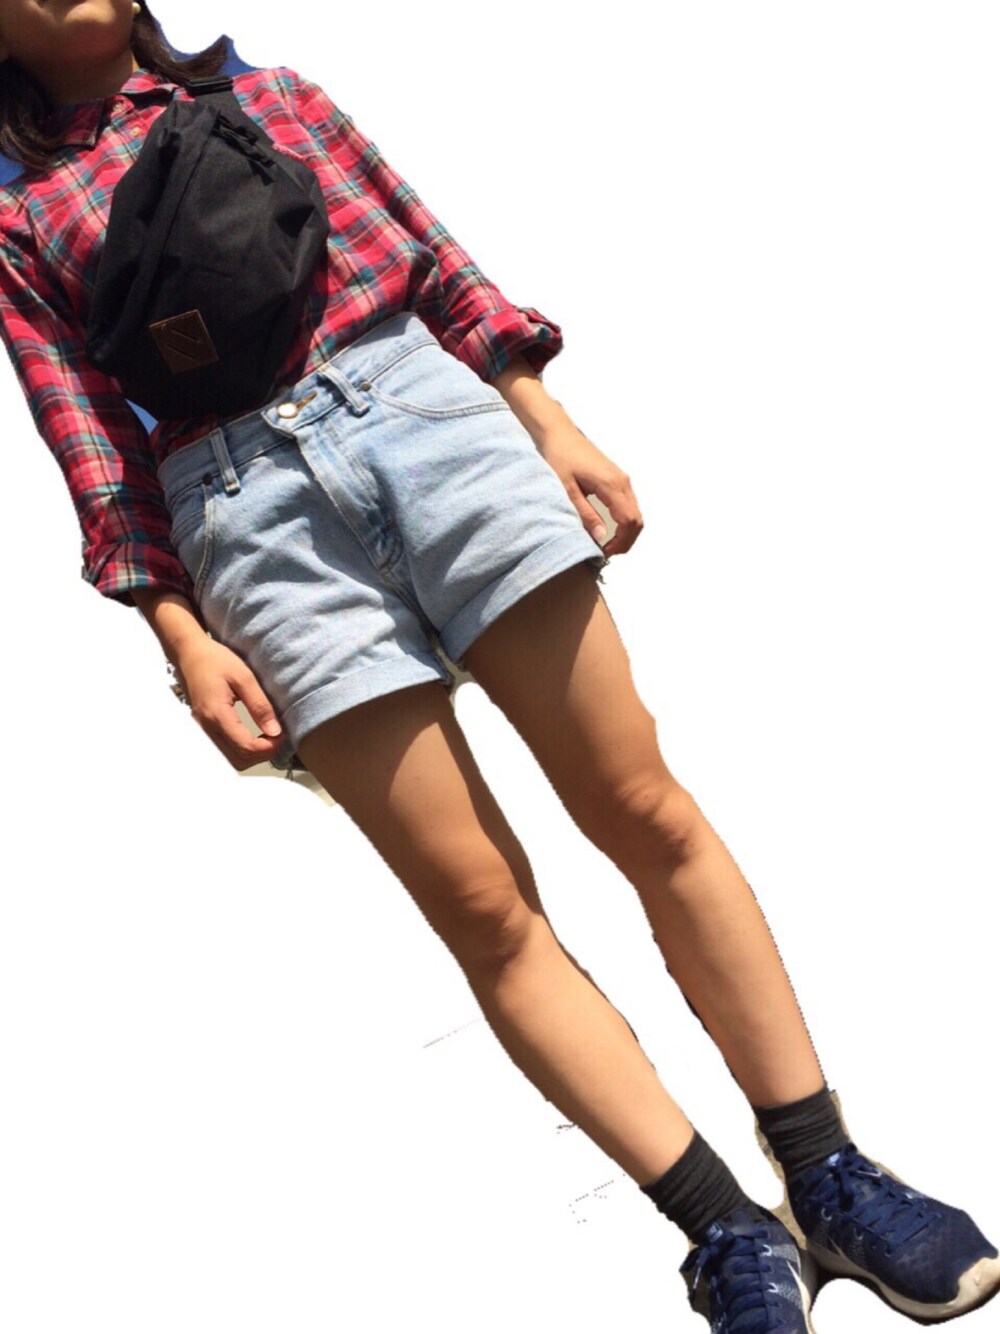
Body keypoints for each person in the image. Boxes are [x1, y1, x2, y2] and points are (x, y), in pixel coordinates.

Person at [1, 3, 996, 1330]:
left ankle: (831, 1175)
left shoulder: (272, 95)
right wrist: (180, 633)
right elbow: (88, 438)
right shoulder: (15, 217)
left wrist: (548, 416)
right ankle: (726, 1232)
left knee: (642, 806)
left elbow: (430, 258)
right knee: (482, 906)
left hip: (426, 425)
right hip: (248, 522)